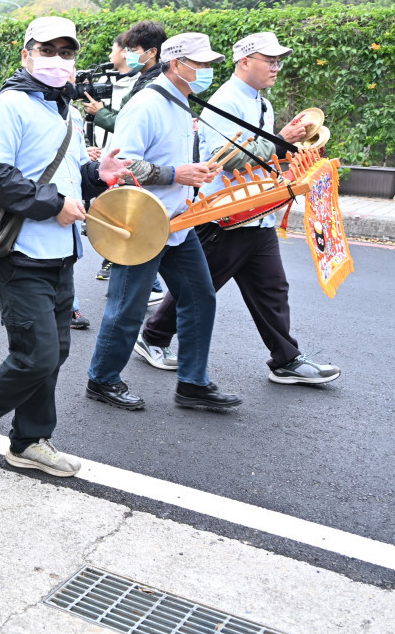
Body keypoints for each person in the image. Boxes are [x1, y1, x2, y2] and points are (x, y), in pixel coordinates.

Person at [0, 17, 126, 475]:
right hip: (17, 251)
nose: (58, 60)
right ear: (26, 55)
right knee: (36, 354)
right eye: (48, 50)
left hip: (60, 252)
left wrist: (96, 175)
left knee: (57, 352)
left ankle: (29, 441)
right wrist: (53, 205)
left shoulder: (63, 110)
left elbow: (65, 181)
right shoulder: (9, 106)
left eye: (67, 52)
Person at [136, 32, 342, 386]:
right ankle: (153, 338)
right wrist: (282, 141)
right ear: (245, 62)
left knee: (272, 288)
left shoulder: (260, 101)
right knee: (200, 288)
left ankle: (286, 359)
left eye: (279, 62)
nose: (276, 68)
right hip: (226, 213)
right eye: (270, 61)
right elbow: (228, 158)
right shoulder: (228, 99)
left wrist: (283, 142)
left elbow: (260, 151)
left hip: (257, 209)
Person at [84, 32, 243, 413]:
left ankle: (193, 383)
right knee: (127, 306)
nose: (206, 71)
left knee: (200, 297)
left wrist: (191, 173)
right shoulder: (147, 105)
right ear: (175, 64)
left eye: (207, 64)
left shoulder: (180, 101)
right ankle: (102, 379)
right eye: (200, 64)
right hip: (141, 221)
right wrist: (176, 174)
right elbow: (119, 167)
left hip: (175, 221)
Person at [86, 21, 168, 290]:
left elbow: (125, 124)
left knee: (135, 247)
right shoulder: (144, 81)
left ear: (152, 52)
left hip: (143, 176)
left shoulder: (154, 87)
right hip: (144, 178)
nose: (126, 54)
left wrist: (100, 114)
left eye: (133, 49)